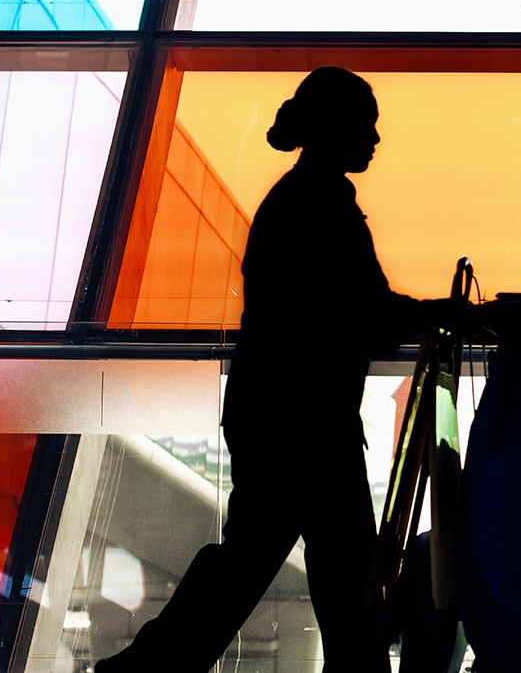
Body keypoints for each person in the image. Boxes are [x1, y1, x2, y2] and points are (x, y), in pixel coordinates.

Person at [97, 66, 429, 673]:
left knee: (270, 564)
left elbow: (351, 307)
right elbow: (366, 308)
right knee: (328, 570)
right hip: (303, 424)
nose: (376, 139)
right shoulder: (319, 204)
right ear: (335, 127)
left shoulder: (301, 198)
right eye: (367, 125)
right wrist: (446, 315)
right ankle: (148, 666)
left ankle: (149, 665)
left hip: (285, 418)